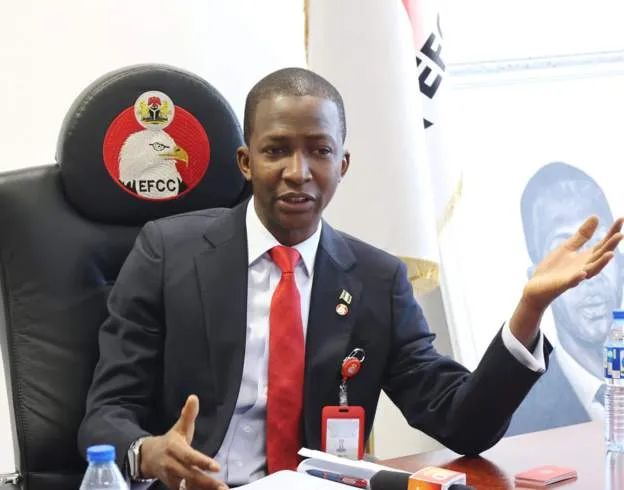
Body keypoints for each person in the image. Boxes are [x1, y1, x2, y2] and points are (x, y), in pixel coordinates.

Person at [78, 68, 623, 490]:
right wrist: (149, 452)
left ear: (343, 164)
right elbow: (106, 414)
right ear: (245, 161)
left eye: (319, 151)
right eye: (276, 151)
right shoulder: (168, 253)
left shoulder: (376, 280)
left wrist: (529, 310)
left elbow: (463, 425)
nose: (298, 172)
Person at [507, 162, 624, 435]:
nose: (589, 273)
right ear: (537, 280)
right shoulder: (521, 425)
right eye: (565, 254)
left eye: (600, 246)